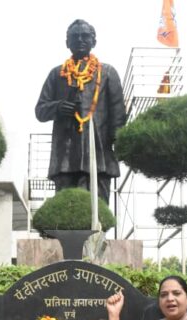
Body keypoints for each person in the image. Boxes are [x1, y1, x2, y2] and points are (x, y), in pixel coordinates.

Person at [35, 19, 126, 204]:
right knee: (67, 211)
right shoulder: (57, 73)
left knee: (98, 210)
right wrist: (58, 107)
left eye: (85, 36)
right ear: (67, 43)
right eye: (74, 37)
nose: (80, 40)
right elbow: (40, 111)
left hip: (99, 154)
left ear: (94, 41)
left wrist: (121, 146)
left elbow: (118, 115)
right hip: (65, 156)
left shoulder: (107, 72)